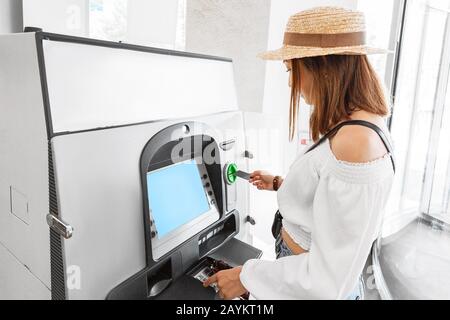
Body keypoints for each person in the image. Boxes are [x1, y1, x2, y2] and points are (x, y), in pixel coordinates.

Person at [203, 6, 395, 300]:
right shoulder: (358, 124)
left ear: (323, 67)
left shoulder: (356, 142)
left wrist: (247, 276)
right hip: (291, 271)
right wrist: (280, 182)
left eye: (293, 70)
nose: (292, 82)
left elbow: (325, 281)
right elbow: (332, 202)